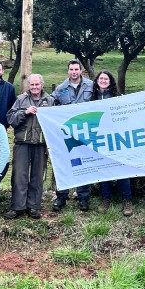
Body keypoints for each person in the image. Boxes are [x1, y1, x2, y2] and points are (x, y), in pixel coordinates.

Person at [6, 74, 55, 219]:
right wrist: (25, 112)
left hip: (40, 145)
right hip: (22, 143)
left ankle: (33, 206)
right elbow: (11, 119)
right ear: (29, 85)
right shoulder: (21, 99)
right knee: (19, 175)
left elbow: (53, 125)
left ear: (42, 85)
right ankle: (17, 207)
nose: (34, 87)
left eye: (37, 84)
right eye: (32, 84)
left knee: (37, 176)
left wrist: (50, 144)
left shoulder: (50, 101)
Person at [52, 60, 94, 211]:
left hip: (85, 132)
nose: (74, 72)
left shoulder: (91, 86)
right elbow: (49, 101)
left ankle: (83, 198)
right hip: (67, 133)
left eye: (76, 69)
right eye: (71, 69)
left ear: (81, 71)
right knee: (64, 164)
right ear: (68, 71)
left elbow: (102, 99)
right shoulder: (61, 88)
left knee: (84, 163)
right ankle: (61, 196)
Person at [91, 70, 133, 217]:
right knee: (103, 170)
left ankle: (127, 200)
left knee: (122, 170)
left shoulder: (118, 98)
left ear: (110, 81)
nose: (103, 81)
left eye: (106, 79)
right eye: (101, 78)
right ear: (97, 81)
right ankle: (105, 199)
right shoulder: (92, 98)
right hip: (100, 140)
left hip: (116, 139)